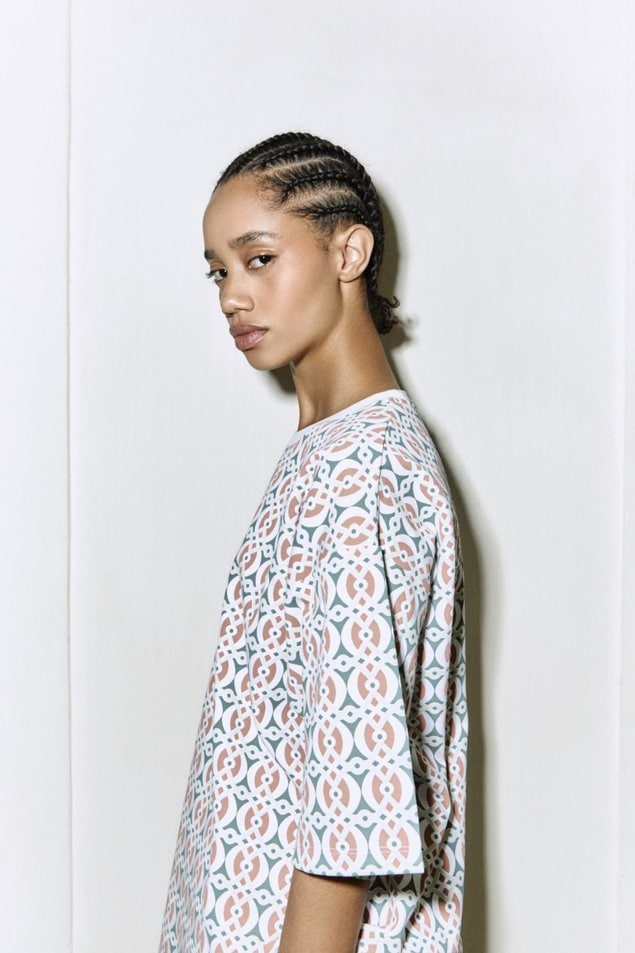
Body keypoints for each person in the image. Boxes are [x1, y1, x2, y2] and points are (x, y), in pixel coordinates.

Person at [159, 132, 467, 953]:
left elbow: (350, 809)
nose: (232, 295)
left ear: (348, 252)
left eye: (258, 258)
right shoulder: (325, 451)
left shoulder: (365, 470)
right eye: (219, 271)